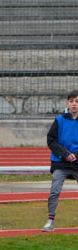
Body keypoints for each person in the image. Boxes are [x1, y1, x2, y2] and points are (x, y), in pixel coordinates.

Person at [42, 90, 78, 232]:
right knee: (55, 191)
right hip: (61, 163)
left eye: (76, 101)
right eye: (71, 101)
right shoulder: (59, 120)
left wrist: (75, 155)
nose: (74, 104)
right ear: (67, 103)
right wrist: (65, 155)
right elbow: (51, 140)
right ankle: (50, 221)